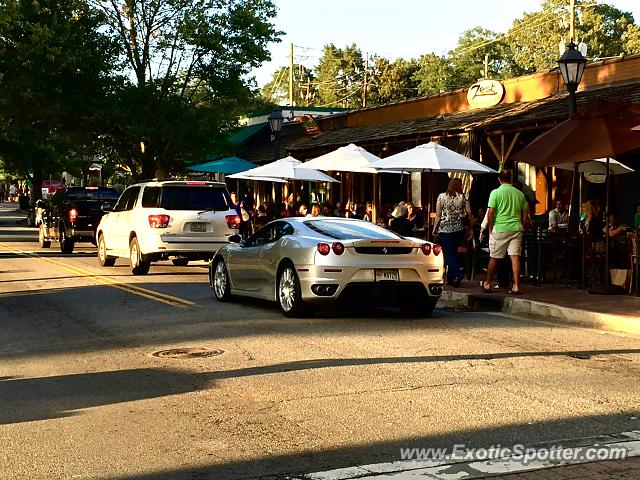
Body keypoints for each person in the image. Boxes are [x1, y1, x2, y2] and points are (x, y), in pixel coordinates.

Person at [480, 170, 528, 295]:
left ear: (499, 179)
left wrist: (490, 228)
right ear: (511, 178)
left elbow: (491, 212)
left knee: (494, 257)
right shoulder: (519, 194)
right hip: (516, 228)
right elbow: (525, 212)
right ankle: (516, 286)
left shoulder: (495, 193)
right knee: (514, 257)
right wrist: (522, 224)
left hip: (500, 228)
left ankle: (487, 283)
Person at [433, 178, 472, 287]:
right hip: (460, 229)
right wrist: (470, 228)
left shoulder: (441, 197)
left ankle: (458, 273)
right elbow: (469, 213)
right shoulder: (463, 197)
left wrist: (435, 228)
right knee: (453, 252)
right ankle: (451, 279)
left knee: (448, 253)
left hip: (445, 229)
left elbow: (438, 215)